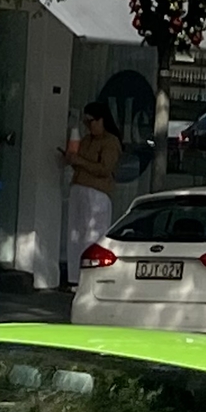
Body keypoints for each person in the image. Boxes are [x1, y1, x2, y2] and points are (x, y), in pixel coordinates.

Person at [61, 102, 122, 286]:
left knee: (93, 236)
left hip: (97, 191)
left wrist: (80, 161)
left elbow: (105, 168)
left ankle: (92, 277)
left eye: (92, 121)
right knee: (76, 234)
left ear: (102, 119)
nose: (89, 126)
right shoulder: (86, 140)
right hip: (79, 187)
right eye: (86, 122)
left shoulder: (110, 142)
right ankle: (74, 277)